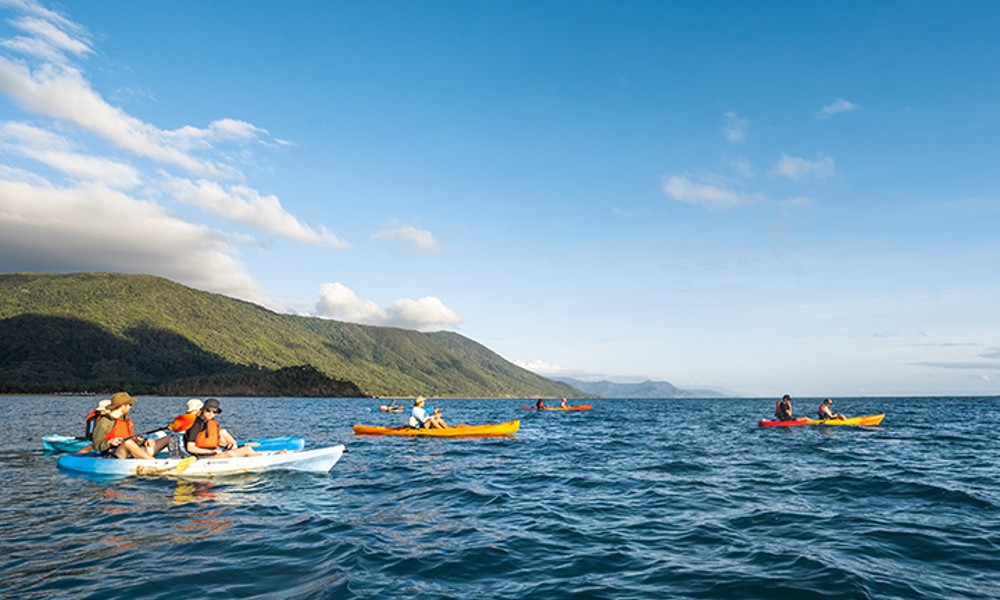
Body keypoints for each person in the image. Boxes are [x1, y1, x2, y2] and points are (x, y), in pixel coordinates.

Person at [90, 392, 172, 459]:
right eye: (129, 405)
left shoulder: (124, 420)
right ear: (122, 406)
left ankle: (179, 461)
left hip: (132, 452)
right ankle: (154, 462)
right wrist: (109, 442)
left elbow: (132, 438)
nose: (130, 407)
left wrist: (145, 441)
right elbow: (96, 445)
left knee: (168, 438)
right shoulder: (104, 422)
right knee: (127, 443)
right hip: (115, 454)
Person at [184, 398, 258, 458]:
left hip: (213, 453)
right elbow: (190, 448)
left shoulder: (209, 422)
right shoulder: (196, 424)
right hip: (203, 456)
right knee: (233, 454)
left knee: (247, 449)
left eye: (214, 412)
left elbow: (212, 440)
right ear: (202, 410)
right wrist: (211, 452)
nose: (211, 414)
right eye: (208, 410)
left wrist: (229, 446)